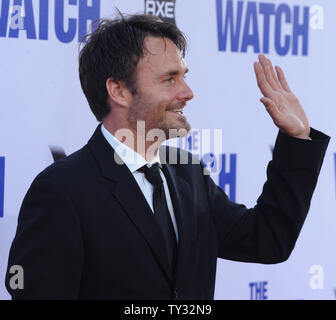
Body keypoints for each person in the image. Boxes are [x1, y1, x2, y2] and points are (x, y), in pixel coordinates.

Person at [5, 14, 329, 300]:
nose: (187, 92)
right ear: (119, 91)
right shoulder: (62, 191)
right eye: (170, 78)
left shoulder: (188, 174)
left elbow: (268, 240)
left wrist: (297, 139)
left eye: (184, 76)